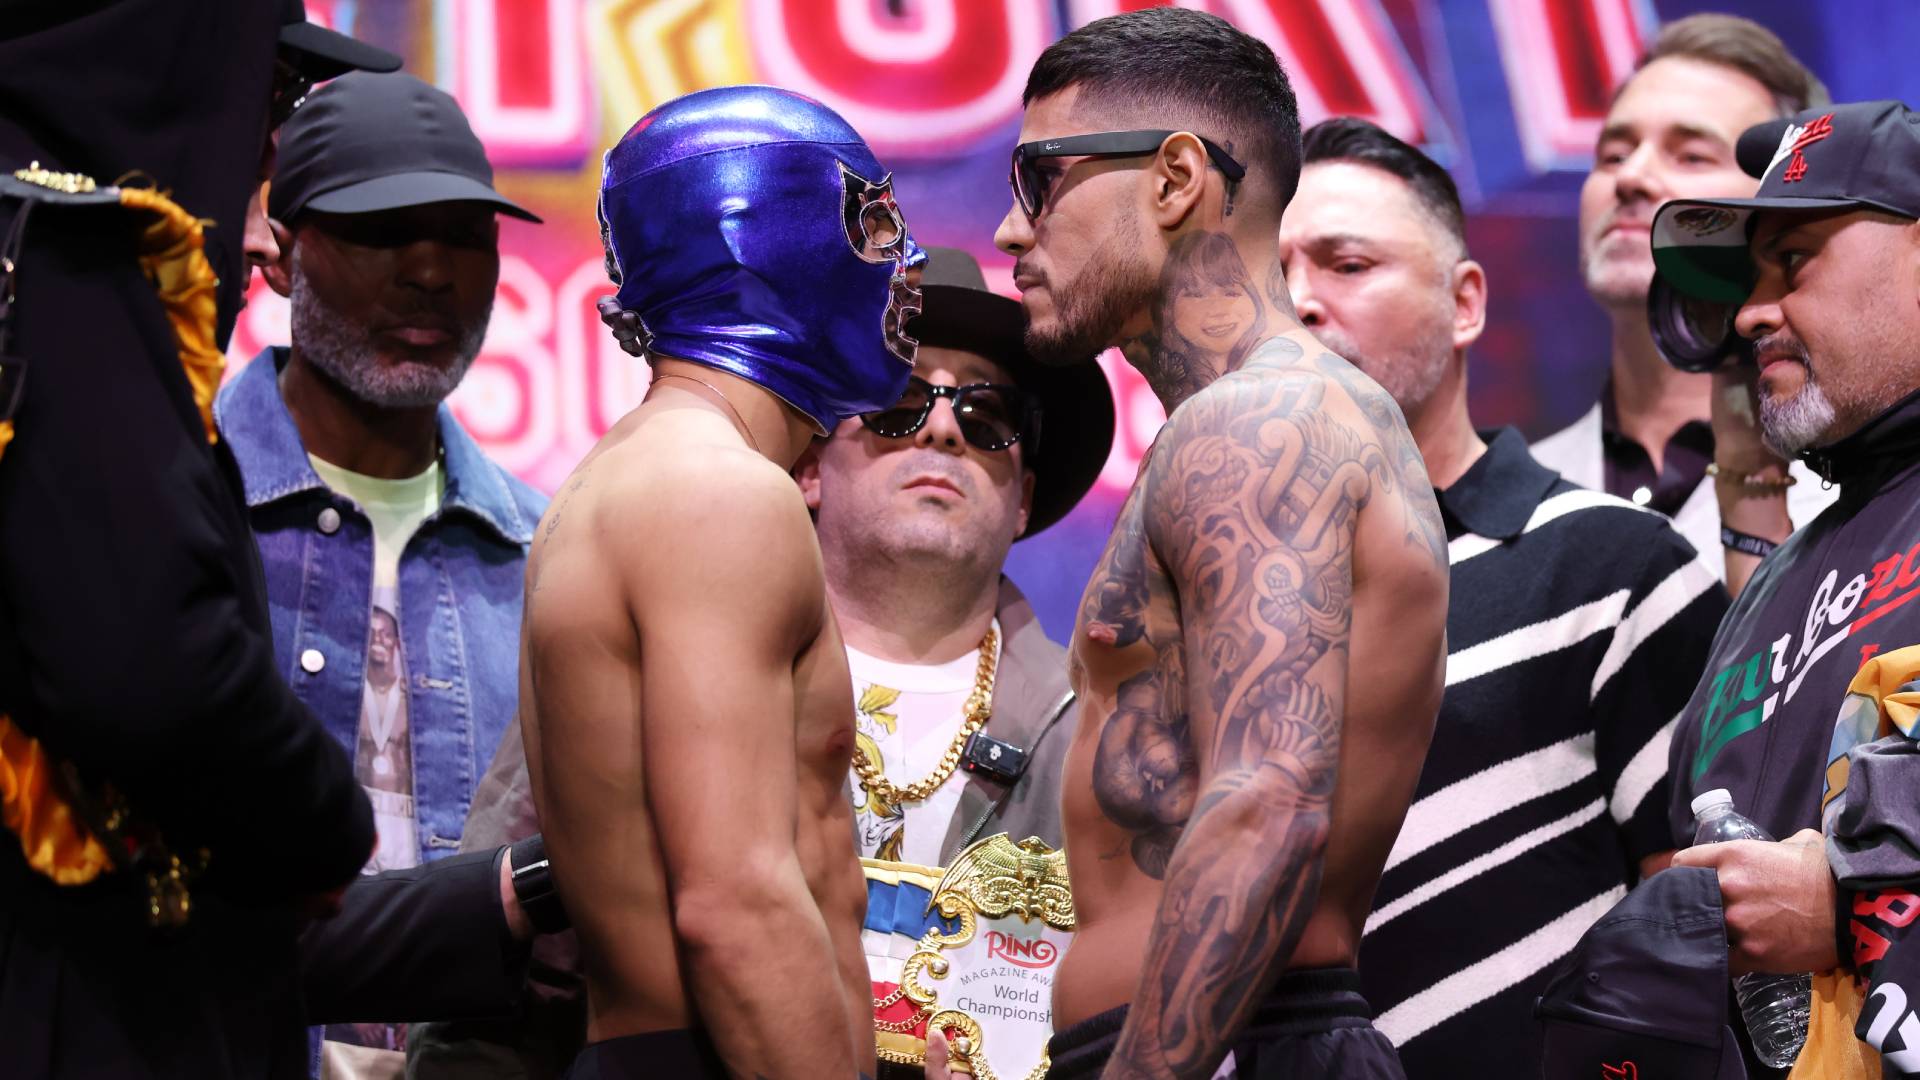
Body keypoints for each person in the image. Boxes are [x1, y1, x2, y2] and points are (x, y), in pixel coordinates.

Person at [409, 247, 1116, 1078]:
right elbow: (504, 958)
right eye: (897, 403)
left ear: (1024, 492)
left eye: (988, 414)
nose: (943, 426)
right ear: (812, 465)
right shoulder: (660, 648)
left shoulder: (1100, 735)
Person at [990, 9, 1449, 1077]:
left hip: (1229, 1046)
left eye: (1038, 183)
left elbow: (1270, 803)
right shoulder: (1289, 416)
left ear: (1174, 179)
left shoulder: (1258, 424)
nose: (1014, 233)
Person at [1278, 117, 1730, 1079]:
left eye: (1346, 263)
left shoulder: (1616, 566)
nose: (1299, 305)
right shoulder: (1219, 610)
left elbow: (1703, 937)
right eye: (1270, 277)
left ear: (1466, 301)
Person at [0, 2, 400, 1076]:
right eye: (268, 93)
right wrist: (320, 822)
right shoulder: (59, 267)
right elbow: (148, 667)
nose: (268, 147)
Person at [520, 85, 922, 1080]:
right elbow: (735, 902)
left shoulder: (627, 479)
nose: (905, 262)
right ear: (762, 239)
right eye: (871, 223)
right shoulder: (719, 496)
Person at [213, 68, 548, 1072]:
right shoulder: (179, 518)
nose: (431, 272)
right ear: (279, 253)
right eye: (379, 229)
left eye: (466, 236)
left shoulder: (552, 555)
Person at [1651, 99, 1920, 1070]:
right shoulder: (1780, 581)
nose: (1753, 311)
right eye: (1747, 276)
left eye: (1794, 260)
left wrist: (1859, 909)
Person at [1531, 14, 1836, 595]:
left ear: (1785, 207)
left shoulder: (1870, 496)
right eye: (1614, 154)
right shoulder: (1505, 497)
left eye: (1691, 155)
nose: (1633, 178)